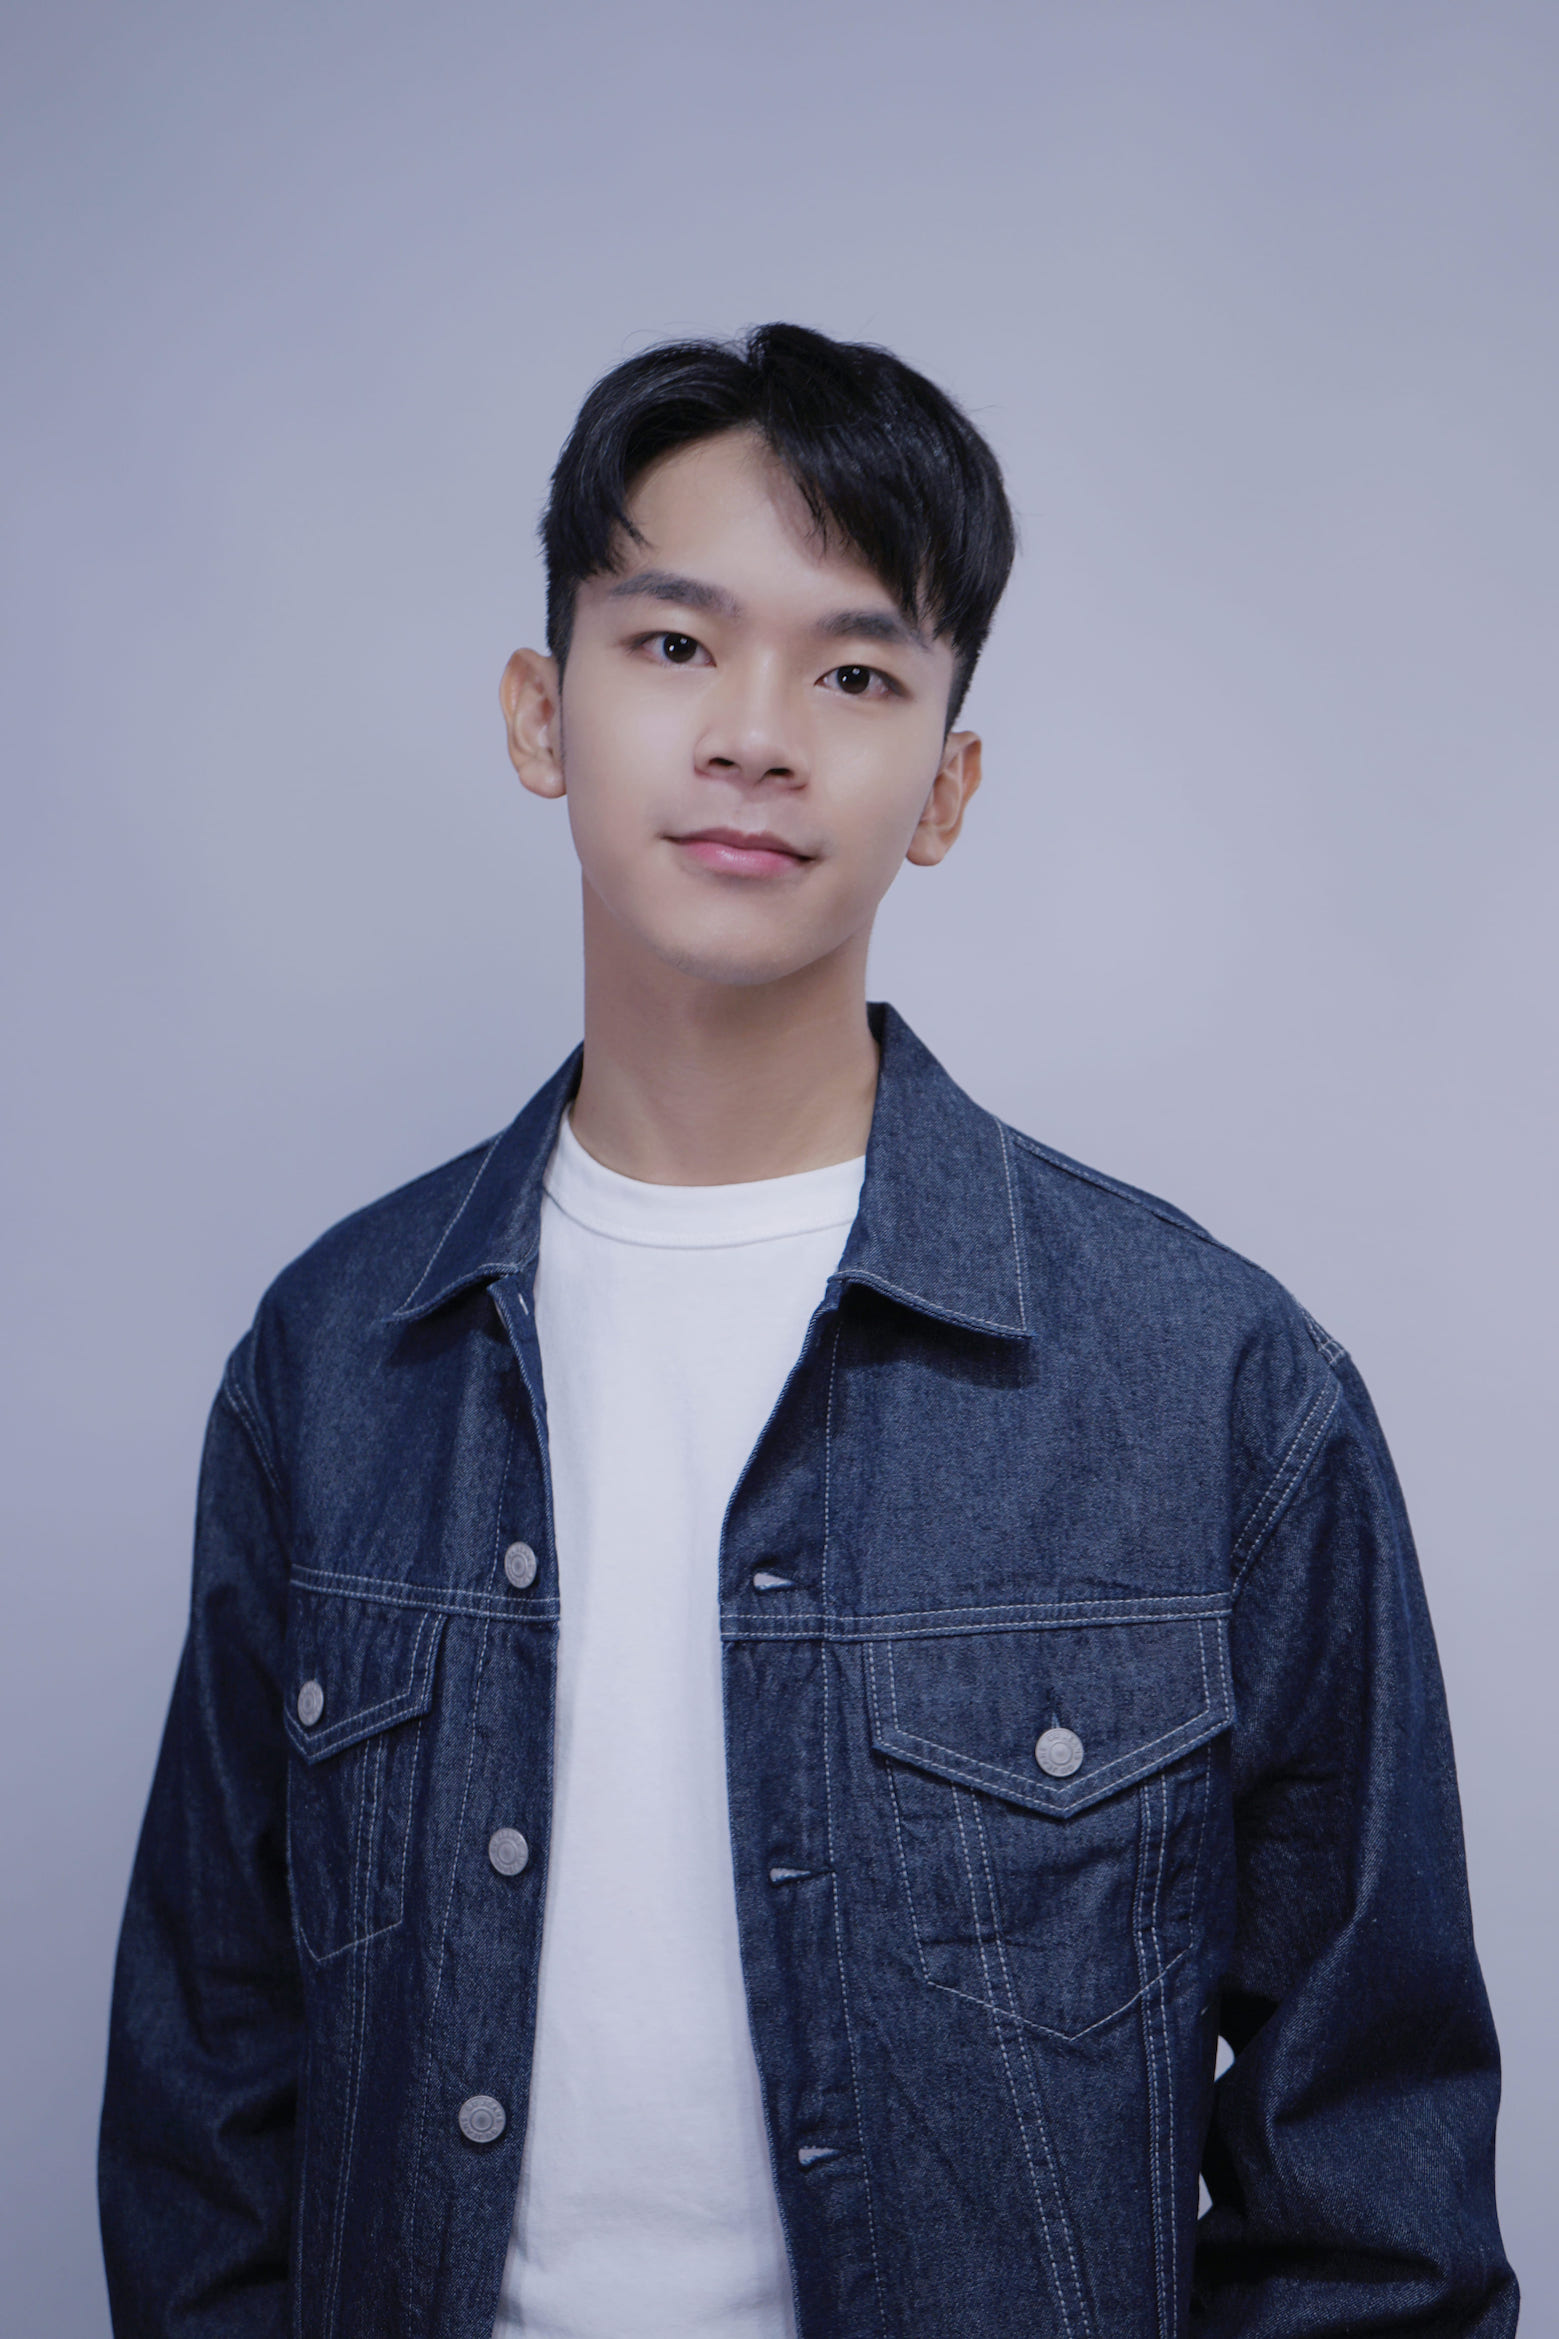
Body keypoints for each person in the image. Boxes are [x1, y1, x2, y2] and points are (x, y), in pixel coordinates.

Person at [99, 323, 1517, 2339]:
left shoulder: (1216, 1390)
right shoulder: (332, 1364)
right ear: (541, 713)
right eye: (677, 643)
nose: (756, 735)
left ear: (945, 787)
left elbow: (1376, 2201)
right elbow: (206, 2112)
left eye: (854, 675)